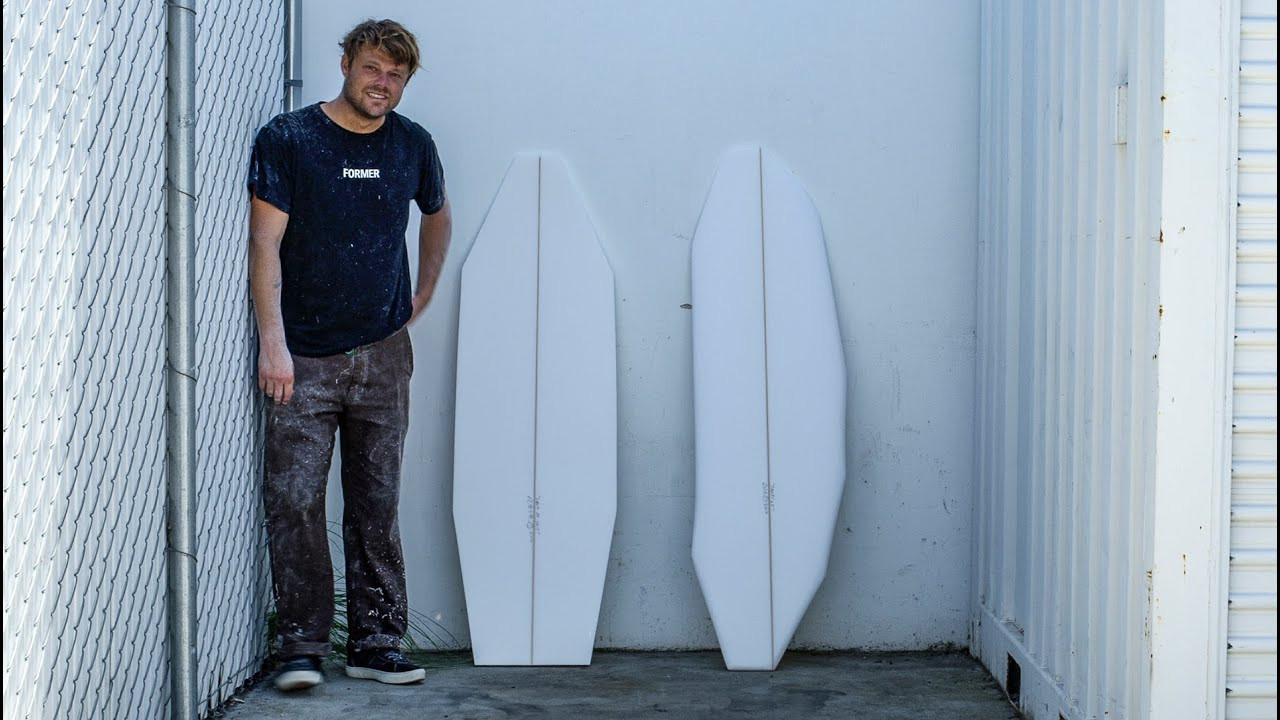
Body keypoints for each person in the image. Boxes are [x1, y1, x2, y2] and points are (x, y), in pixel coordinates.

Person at [246, 18, 451, 691]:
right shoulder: (290, 139)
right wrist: (272, 345)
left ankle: (375, 643)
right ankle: (301, 647)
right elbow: (265, 245)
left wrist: (423, 289)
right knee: (296, 500)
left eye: (396, 75)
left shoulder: (412, 144)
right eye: (372, 68)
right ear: (346, 63)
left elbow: (437, 212)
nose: (383, 84)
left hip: (384, 357)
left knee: (376, 503)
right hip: (302, 357)